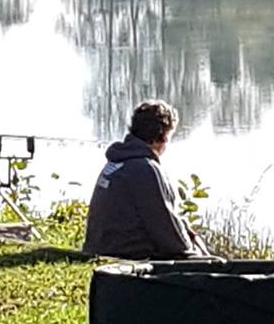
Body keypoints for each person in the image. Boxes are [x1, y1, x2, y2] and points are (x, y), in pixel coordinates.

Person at [82, 99, 206, 259]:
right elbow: (168, 234)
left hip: (100, 248)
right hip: (125, 255)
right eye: (169, 137)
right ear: (161, 136)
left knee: (186, 231)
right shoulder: (145, 169)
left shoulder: (117, 162)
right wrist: (195, 251)